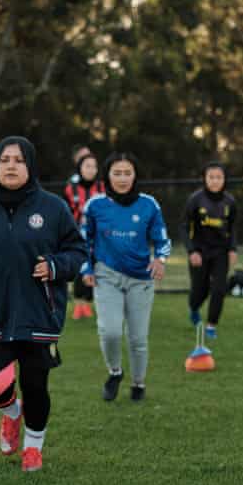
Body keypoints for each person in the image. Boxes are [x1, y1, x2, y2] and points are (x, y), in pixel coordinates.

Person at [0, 136, 87, 473]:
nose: (11, 166)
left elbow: (78, 253)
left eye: (18, 160)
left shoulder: (54, 208)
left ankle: (33, 448)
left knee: (35, 387)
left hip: (39, 315)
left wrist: (55, 267)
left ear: (30, 166)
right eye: (5, 160)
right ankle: (11, 414)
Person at [81, 153, 171, 401]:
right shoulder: (94, 206)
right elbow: (83, 241)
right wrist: (86, 269)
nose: (122, 178)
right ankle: (115, 372)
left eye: (127, 173)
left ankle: (138, 384)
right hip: (106, 276)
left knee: (138, 338)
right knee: (109, 331)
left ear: (135, 175)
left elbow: (163, 240)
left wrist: (160, 260)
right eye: (117, 173)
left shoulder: (149, 204)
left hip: (141, 279)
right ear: (107, 176)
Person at [181, 161, 237, 339]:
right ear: (204, 179)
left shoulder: (230, 201)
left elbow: (233, 227)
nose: (215, 181)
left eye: (218, 177)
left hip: (220, 252)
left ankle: (212, 325)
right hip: (199, 252)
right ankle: (194, 308)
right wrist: (192, 251)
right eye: (211, 177)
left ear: (224, 179)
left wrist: (233, 249)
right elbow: (183, 226)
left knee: (219, 288)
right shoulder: (195, 200)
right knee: (200, 289)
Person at [63, 151, 105, 319]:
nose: (91, 170)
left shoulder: (103, 188)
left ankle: (88, 303)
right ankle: (78, 304)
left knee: (94, 268)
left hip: (98, 236)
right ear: (80, 168)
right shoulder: (70, 188)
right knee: (80, 269)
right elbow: (64, 212)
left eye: (94, 166)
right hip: (76, 236)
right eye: (87, 166)